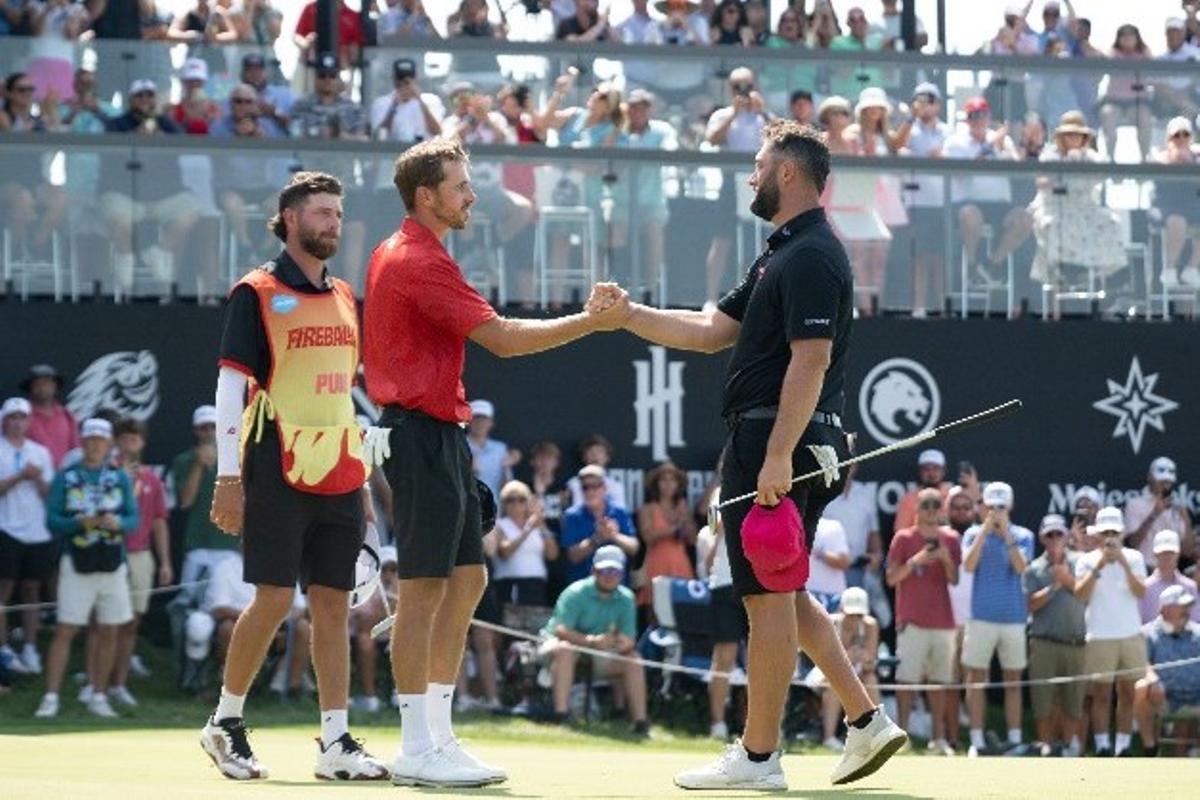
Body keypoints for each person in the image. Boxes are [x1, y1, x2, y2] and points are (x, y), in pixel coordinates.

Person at [602, 120, 906, 790]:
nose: (752, 174)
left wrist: (775, 455)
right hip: (776, 436)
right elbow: (712, 330)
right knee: (785, 594)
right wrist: (628, 315)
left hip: (776, 439)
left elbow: (812, 359)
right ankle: (864, 720)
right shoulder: (783, 253)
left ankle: (760, 756)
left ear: (788, 174)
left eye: (760, 163)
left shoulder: (812, 256)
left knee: (765, 602)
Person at [360, 136, 632, 787]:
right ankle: (415, 744)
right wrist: (589, 323)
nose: (471, 195)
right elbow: (505, 341)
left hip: (443, 435)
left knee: (467, 581)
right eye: (459, 185)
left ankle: (439, 736)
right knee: (424, 590)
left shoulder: (419, 252)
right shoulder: (415, 259)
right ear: (426, 196)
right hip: (419, 434)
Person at [202, 171, 388, 782]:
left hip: (338, 467)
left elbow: (342, 397)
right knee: (275, 598)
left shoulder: (343, 296)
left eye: (337, 213)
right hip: (273, 461)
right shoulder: (254, 293)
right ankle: (225, 722)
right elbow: (231, 387)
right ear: (288, 221)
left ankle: (335, 741)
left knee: (333, 605)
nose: (333, 222)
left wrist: (360, 481)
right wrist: (229, 479)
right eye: (320, 213)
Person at [34, 418, 137, 720]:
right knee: (66, 628)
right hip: (76, 559)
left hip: (112, 561)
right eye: (90, 439)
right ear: (82, 442)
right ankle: (51, 697)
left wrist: (118, 523)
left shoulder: (118, 478)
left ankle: (98, 695)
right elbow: (52, 520)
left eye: (100, 439)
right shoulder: (66, 477)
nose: (94, 444)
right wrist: (78, 523)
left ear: (109, 444)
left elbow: (133, 518)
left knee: (110, 629)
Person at [539, 545, 647, 731]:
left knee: (634, 661)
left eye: (615, 570)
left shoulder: (627, 598)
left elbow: (629, 640)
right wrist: (592, 641)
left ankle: (640, 723)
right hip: (559, 649)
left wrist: (617, 643)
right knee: (565, 650)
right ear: (594, 571)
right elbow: (561, 630)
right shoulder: (575, 592)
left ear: (621, 574)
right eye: (604, 570)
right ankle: (561, 717)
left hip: (600, 654)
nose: (610, 575)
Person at [960, 481, 1034, 755]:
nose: (996, 512)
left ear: (1010, 507)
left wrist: (1006, 536)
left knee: (1013, 680)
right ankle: (976, 740)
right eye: (991, 507)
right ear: (983, 507)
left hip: (1014, 619)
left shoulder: (1023, 535)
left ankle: (1014, 738)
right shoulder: (972, 534)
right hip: (981, 618)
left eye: (1001, 507)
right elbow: (968, 565)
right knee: (976, 678)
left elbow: (1021, 567)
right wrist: (985, 531)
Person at [886, 486, 961, 755]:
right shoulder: (903, 538)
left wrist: (945, 560)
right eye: (926, 505)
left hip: (943, 621)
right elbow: (892, 579)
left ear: (941, 509)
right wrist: (916, 561)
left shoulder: (951, 539)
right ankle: (901, 737)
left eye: (935, 504)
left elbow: (955, 580)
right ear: (916, 508)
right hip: (912, 620)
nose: (931, 510)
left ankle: (937, 740)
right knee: (906, 681)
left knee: (940, 682)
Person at [1074, 505, 1148, 757]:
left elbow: (1141, 592)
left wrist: (1124, 564)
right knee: (1101, 695)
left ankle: (1123, 747)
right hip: (1100, 635)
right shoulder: (1086, 561)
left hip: (1130, 634)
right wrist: (1102, 565)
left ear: (1121, 534)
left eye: (1114, 532)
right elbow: (1080, 595)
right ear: (1097, 534)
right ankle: (1103, 745)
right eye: (1106, 532)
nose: (1110, 538)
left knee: (1128, 693)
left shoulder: (1135, 558)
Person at [108, 418, 171, 708]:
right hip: (108, 554)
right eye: (125, 437)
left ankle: (118, 685)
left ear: (142, 443)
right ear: (117, 441)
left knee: (131, 624)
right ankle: (97, 682)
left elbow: (159, 522)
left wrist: (165, 562)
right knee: (105, 623)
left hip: (141, 556)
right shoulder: (106, 474)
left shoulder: (152, 479)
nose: (130, 442)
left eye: (135, 438)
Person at [1028, 111, 1126, 297]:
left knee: (1111, 222)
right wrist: (1059, 176)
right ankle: (1065, 270)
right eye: (1069, 134)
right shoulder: (1051, 156)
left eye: (1077, 134)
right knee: (1052, 225)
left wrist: (1080, 164)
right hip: (1054, 206)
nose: (1073, 138)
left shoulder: (1092, 157)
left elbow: (1101, 174)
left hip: (1085, 206)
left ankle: (1102, 275)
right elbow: (1040, 180)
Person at [1023, 513, 1087, 757]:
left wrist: (1066, 579)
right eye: (1049, 535)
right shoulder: (1033, 569)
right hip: (1044, 643)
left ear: (1066, 536)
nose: (1054, 539)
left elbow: (1085, 595)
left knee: (1073, 701)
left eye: (1058, 534)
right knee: (1043, 702)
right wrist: (1054, 586)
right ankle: (1047, 748)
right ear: (1042, 537)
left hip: (1075, 643)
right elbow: (1031, 605)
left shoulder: (1081, 562)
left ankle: (1069, 747)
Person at [704, 67, 770, 301]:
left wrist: (763, 114)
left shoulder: (764, 115)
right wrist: (734, 113)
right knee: (721, 241)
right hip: (731, 184)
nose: (743, 91)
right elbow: (712, 139)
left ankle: (762, 297)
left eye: (747, 86)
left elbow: (781, 140)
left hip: (761, 186)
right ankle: (711, 298)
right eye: (737, 87)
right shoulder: (723, 114)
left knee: (766, 243)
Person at [0, 397, 55, 676]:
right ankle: (4, 648)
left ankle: (30, 646)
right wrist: (21, 476)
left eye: (22, 417)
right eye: (12, 417)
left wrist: (36, 479)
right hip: (6, 528)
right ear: (4, 421)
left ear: (28, 421)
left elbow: (50, 495)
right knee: (4, 589)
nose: (17, 422)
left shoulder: (41, 452)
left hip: (37, 532)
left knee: (32, 590)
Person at [702, 486, 749, 740]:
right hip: (725, 582)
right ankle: (717, 725)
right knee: (724, 656)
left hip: (762, 583)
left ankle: (761, 729)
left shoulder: (775, 477)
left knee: (763, 658)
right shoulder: (724, 489)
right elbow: (717, 526)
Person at [173, 406, 239, 588]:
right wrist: (198, 465)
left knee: (227, 604)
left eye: (213, 427)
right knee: (187, 604)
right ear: (196, 431)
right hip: (198, 545)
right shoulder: (183, 461)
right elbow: (186, 501)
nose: (209, 432)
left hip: (230, 547)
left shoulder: (237, 461)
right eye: (204, 428)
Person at [809, 587, 880, 752]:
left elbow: (871, 664)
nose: (855, 618)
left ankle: (878, 734)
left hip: (856, 674)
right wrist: (848, 655)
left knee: (871, 679)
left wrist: (866, 659)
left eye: (859, 615)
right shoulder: (830, 622)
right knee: (835, 686)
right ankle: (829, 737)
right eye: (851, 614)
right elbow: (824, 660)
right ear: (842, 609)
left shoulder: (871, 625)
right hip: (826, 674)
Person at [1134, 585, 1200, 756]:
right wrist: (1153, 680)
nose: (1187, 611)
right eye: (1182, 606)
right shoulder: (1147, 633)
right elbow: (1142, 663)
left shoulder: (1198, 632)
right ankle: (1151, 748)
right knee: (1141, 687)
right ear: (1165, 609)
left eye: (1188, 606)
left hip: (1196, 696)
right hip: (1164, 697)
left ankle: (1192, 752)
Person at [561, 465, 639, 585]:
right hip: (583, 588)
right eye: (585, 487)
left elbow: (633, 548)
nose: (590, 491)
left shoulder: (619, 511)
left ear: (604, 487)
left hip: (617, 587)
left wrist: (614, 536)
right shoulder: (571, 516)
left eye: (595, 486)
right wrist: (597, 538)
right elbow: (573, 556)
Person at [636, 460, 697, 608]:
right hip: (656, 563)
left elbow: (693, 540)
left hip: (680, 563)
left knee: (683, 611)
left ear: (678, 485)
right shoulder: (647, 509)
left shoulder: (683, 508)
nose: (668, 484)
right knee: (655, 611)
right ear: (656, 483)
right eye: (664, 480)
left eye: (672, 480)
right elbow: (647, 537)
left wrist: (685, 520)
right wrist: (674, 528)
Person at [492, 480, 558, 609]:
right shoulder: (499, 525)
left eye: (521, 499)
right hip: (511, 584)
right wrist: (527, 530)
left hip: (536, 584)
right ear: (504, 503)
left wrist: (542, 527)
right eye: (510, 500)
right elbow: (504, 552)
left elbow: (552, 555)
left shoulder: (538, 526)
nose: (516, 504)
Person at [350, 544, 398, 713]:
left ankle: (401, 694)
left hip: (396, 637)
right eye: (385, 569)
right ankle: (370, 698)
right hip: (372, 635)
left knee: (406, 639)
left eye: (394, 570)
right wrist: (385, 607)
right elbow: (365, 624)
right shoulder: (366, 588)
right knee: (365, 642)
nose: (389, 574)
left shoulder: (405, 590)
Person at [1154, 117, 1200, 288]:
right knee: (1177, 221)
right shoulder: (1160, 157)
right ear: (1169, 138)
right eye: (1176, 135)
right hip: (1166, 206)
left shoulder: (1197, 157)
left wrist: (1190, 161)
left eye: (1185, 134)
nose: (1181, 139)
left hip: (1192, 205)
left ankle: (1192, 268)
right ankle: (1169, 269)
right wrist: (1175, 159)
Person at [1098, 24, 1153, 161]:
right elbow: (1104, 61)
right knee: (1107, 115)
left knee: (1144, 118)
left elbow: (1153, 72)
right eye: (1124, 35)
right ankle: (1110, 159)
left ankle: (1145, 159)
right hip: (1114, 101)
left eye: (1131, 35)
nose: (1127, 39)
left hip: (1137, 101)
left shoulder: (1144, 54)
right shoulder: (1113, 53)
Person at [1125, 457, 1195, 563]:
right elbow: (1132, 544)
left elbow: (1188, 552)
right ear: (1149, 477)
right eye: (1161, 480)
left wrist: (1186, 520)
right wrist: (1154, 514)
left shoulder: (1178, 507)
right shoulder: (1134, 504)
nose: (1165, 484)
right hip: (1143, 567)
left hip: (1171, 570)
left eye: (1168, 481)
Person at [370, 57, 443, 144]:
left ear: (415, 78)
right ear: (394, 78)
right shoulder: (381, 103)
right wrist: (394, 105)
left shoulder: (431, 100)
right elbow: (379, 136)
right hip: (391, 154)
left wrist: (420, 100)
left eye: (408, 81)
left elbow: (437, 131)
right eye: (400, 80)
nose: (404, 84)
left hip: (423, 154)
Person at [21, 364, 76, 470]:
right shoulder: (19, 416)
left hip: (62, 480)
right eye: (37, 384)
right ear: (30, 388)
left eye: (46, 384)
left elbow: (76, 452)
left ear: (55, 386)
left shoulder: (67, 416)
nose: (42, 388)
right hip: (30, 480)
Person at [1139, 530, 1200, 624]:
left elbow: (1196, 621)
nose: (1167, 557)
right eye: (1162, 553)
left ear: (1178, 554)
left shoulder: (1190, 586)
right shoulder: (1144, 587)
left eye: (1170, 553)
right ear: (1155, 555)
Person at [466, 399, 517, 499]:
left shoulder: (500, 449)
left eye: (484, 419)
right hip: (466, 509)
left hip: (495, 509)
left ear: (491, 423)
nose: (480, 423)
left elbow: (508, 486)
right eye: (476, 419)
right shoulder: (459, 446)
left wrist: (506, 468)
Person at [893, 449, 950, 533]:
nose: (931, 473)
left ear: (943, 471)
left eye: (936, 468)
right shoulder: (909, 499)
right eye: (926, 469)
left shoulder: (952, 496)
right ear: (920, 472)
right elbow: (900, 533)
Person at [564, 435, 627, 509]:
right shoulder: (573, 484)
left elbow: (620, 515)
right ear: (584, 458)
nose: (595, 455)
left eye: (599, 451)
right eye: (590, 451)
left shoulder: (616, 486)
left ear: (607, 458)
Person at [808, 517, 851, 612]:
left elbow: (844, 562)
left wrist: (819, 553)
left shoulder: (832, 527)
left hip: (832, 597)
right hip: (801, 596)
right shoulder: (788, 526)